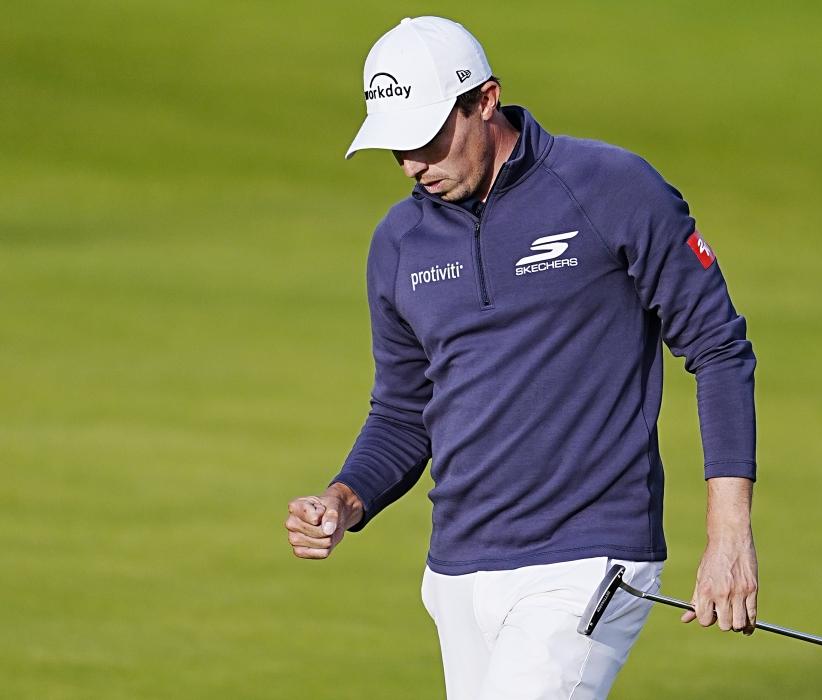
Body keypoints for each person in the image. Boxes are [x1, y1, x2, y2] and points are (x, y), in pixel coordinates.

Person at [284, 16, 759, 699]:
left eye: (426, 138)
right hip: (458, 569)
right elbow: (404, 412)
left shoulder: (610, 189)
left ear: (485, 100)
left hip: (588, 558)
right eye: (396, 148)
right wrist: (345, 497)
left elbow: (718, 347)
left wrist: (728, 534)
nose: (413, 165)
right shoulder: (399, 244)